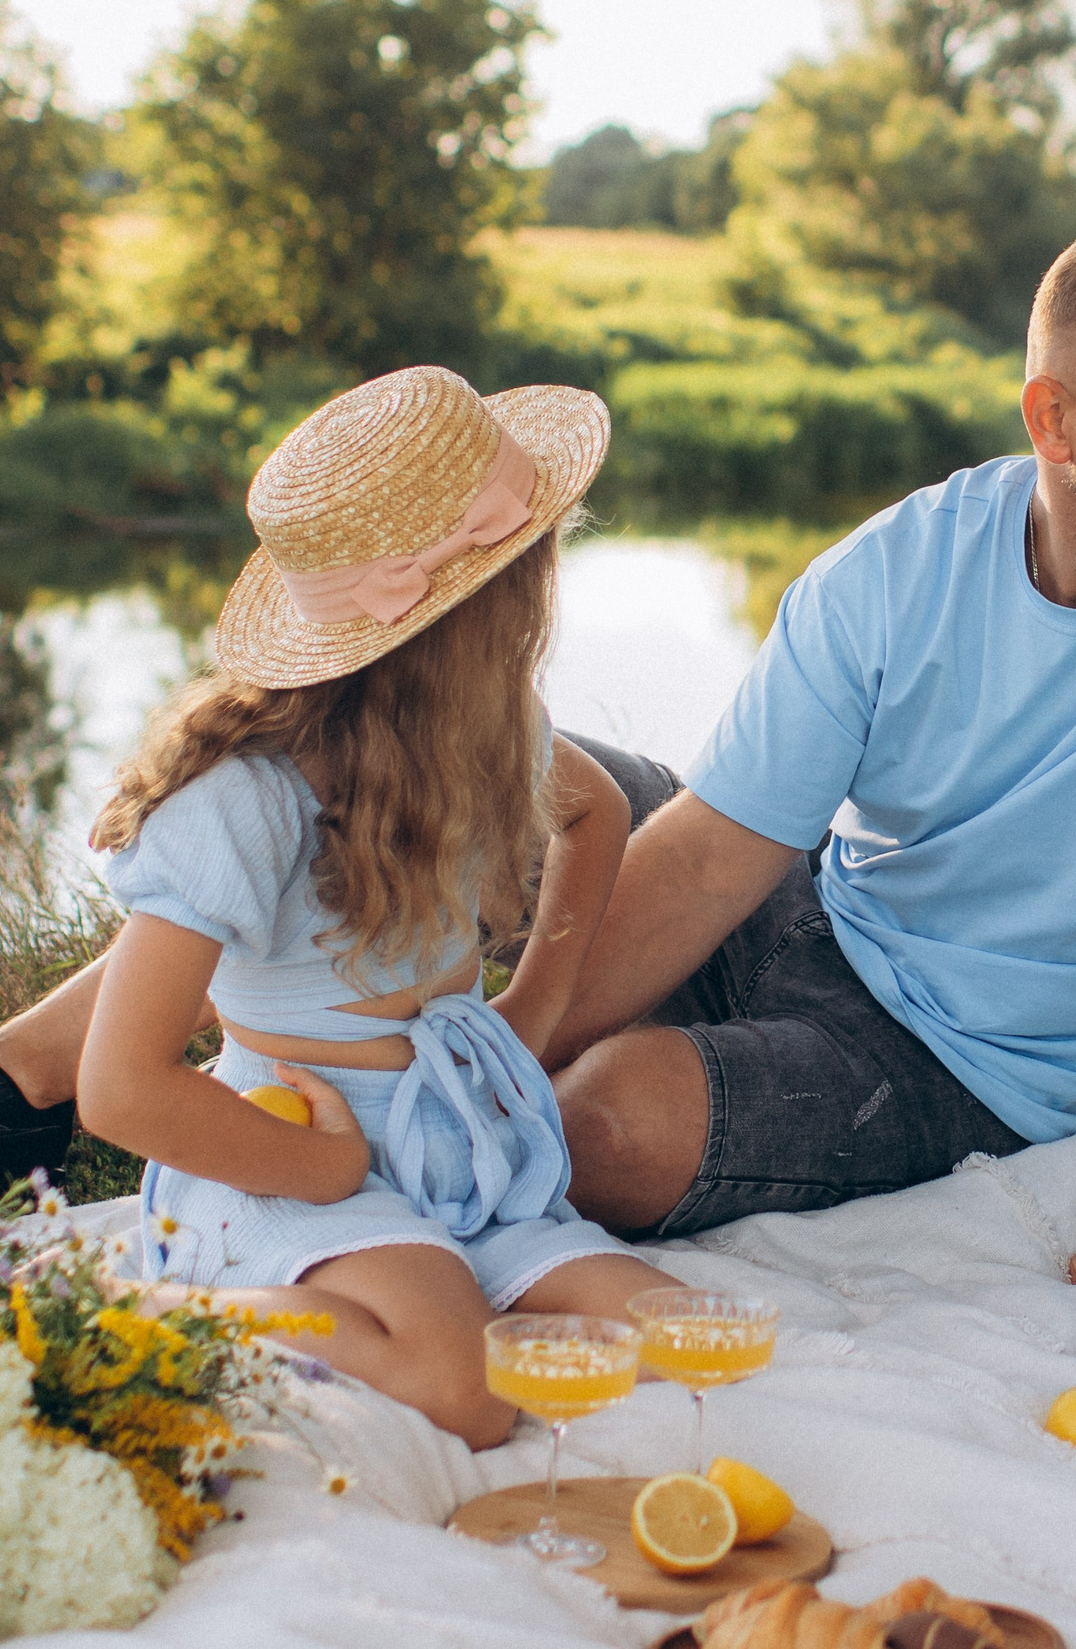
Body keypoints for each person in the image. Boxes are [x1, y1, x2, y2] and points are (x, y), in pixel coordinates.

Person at [0, 227, 1076, 1274]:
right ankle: (3, 1087)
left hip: (987, 1074)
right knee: (408, 782)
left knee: (613, 1124)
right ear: (1057, 428)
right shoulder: (897, 571)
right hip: (822, 920)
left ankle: (431, 1084)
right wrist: (494, 1033)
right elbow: (715, 848)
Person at [75, 367, 679, 1447]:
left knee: (668, 1337)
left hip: (453, 1136)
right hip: (293, 1152)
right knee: (467, 1396)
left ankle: (443, 1273)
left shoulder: (489, 722)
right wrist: (327, 1164)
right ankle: (167, 1301)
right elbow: (119, 1088)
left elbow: (596, 818)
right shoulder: (243, 799)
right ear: (490, 603)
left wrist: (532, 1007)